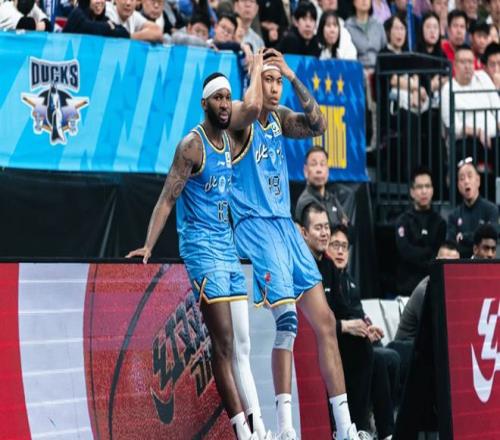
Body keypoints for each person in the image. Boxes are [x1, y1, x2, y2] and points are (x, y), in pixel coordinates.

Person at [127, 57, 273, 440]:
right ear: (204, 103)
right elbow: (167, 198)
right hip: (201, 249)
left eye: (228, 97)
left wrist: (256, 71)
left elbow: (254, 108)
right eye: (218, 98)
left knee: (243, 345)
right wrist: (148, 244)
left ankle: (260, 428)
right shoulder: (192, 146)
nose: (225, 104)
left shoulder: (230, 135)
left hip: (227, 247)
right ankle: (243, 432)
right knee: (223, 344)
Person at [229, 48, 360, 440]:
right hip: (255, 225)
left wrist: (292, 75)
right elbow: (251, 106)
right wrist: (256, 69)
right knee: (286, 323)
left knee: (326, 322)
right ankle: (286, 428)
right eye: (267, 80)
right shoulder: (239, 117)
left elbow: (318, 124)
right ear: (254, 80)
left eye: (277, 82)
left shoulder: (280, 118)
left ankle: (345, 428)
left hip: (285, 225)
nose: (274, 88)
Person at [300, 203, 373, 439]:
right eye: (318, 228)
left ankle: (358, 427)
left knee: (363, 345)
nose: (324, 233)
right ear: (304, 232)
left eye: (326, 227)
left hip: (333, 337)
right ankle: (335, 427)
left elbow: (343, 308)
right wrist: (345, 326)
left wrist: (363, 326)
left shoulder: (330, 265)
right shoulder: (299, 265)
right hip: (307, 342)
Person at [324, 221, 399, 440]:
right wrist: (352, 328)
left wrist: (368, 329)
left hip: (354, 342)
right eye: (335, 245)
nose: (340, 251)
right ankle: (361, 426)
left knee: (392, 357)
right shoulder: (323, 277)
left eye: (344, 246)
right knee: (377, 357)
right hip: (335, 345)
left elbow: (356, 316)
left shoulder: (350, 283)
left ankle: (386, 432)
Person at [390, 241, 460, 388]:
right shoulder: (426, 290)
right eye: (443, 263)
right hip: (407, 349)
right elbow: (438, 331)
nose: (448, 268)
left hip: (425, 348)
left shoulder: (455, 290)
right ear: (435, 263)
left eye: (453, 264)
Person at [440, 45, 500, 161]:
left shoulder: (482, 77)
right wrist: (477, 132)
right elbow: (452, 125)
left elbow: (497, 106)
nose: (467, 66)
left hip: (493, 137)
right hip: (466, 140)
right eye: (463, 62)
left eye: (470, 62)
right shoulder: (448, 89)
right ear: (455, 65)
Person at [395, 166, 446, 296]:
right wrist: (427, 251)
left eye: (427, 186)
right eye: (419, 187)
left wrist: (423, 252)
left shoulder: (440, 222)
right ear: (412, 191)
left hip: (432, 287)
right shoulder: (403, 221)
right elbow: (405, 251)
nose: (424, 191)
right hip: (407, 289)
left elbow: (438, 254)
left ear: (432, 190)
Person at [447, 157, 499, 257]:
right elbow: (451, 246)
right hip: (461, 263)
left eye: (470, 176)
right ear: (458, 185)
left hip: (485, 264)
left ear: (478, 180)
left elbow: (493, 236)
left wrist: (465, 237)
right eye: (462, 178)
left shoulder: (491, 209)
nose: (466, 181)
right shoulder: (453, 216)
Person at [295, 146, 349, 229]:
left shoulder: (331, 198)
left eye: (322, 164)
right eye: (314, 164)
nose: (319, 170)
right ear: (305, 171)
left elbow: (346, 224)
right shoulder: (305, 202)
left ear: (328, 170)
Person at [345, 0, 386, 69]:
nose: (364, 1)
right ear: (354, 2)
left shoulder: (378, 24)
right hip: (356, 69)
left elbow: (384, 49)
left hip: (378, 69)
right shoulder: (348, 26)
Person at [64, 0, 129, 37]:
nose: (100, 1)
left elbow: (124, 33)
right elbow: (87, 27)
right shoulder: (77, 14)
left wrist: (108, 29)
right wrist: (108, 27)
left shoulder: (102, 18)